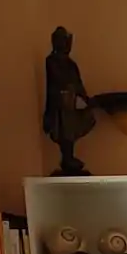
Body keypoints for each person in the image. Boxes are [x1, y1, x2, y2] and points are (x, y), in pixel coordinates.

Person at [42, 26, 95, 175]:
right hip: (59, 104)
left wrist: (87, 100)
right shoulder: (51, 61)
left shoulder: (71, 64)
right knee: (63, 131)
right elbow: (57, 80)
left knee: (71, 130)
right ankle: (67, 158)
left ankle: (69, 157)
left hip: (70, 103)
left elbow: (78, 85)